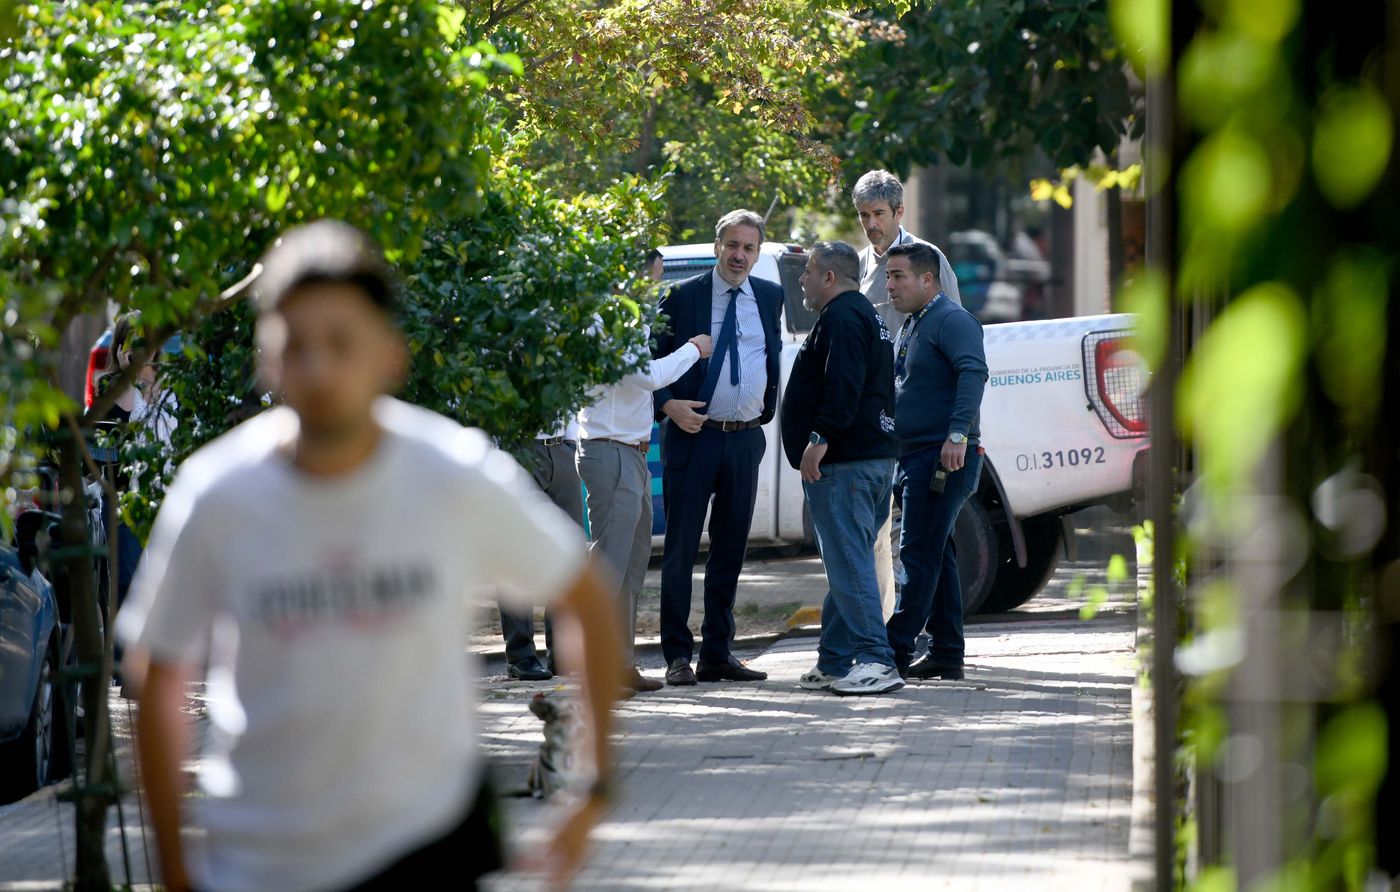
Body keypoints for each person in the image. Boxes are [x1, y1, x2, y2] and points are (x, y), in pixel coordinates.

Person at [115, 220, 623, 892]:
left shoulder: (451, 474)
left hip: (423, 847)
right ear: (267, 359)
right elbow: (157, 668)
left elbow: (586, 596)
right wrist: (175, 869)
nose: (318, 369)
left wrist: (591, 791)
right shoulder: (218, 493)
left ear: (390, 354)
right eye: (295, 344)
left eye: (341, 342)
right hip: (261, 859)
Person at [651, 209, 782, 686]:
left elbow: (769, 355)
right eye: (732, 245)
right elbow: (649, 361)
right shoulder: (682, 297)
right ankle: (676, 657)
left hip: (745, 438)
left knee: (730, 550)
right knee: (681, 548)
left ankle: (717, 654)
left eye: (749, 247)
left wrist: (762, 413)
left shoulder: (769, 295)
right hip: (694, 438)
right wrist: (668, 405)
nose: (739, 255)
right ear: (717, 247)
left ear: (757, 253)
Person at [577, 256, 713, 694]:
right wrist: (693, 349)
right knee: (609, 568)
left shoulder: (628, 322)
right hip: (610, 451)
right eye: (649, 280)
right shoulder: (607, 321)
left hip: (629, 453)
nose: (653, 290)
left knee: (630, 570)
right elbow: (649, 377)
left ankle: (621, 666)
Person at [779, 241, 902, 696]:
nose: (803, 280)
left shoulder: (843, 317)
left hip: (846, 464)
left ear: (829, 277)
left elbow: (844, 385)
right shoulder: (864, 315)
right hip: (870, 458)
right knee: (848, 564)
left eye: (809, 271)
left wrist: (819, 438)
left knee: (849, 565)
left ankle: (876, 661)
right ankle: (834, 661)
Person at [851, 168, 963, 632]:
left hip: (924, 422)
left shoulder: (926, 259)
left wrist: (956, 427)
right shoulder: (858, 266)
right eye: (863, 215)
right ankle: (896, 635)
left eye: (879, 214)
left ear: (900, 212)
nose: (871, 224)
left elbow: (954, 332)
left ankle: (922, 638)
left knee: (922, 537)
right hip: (877, 418)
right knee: (884, 534)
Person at [881, 242, 988, 680]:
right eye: (888, 276)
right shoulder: (915, 321)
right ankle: (946, 652)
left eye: (898, 276)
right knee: (937, 555)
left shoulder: (952, 319)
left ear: (928, 279)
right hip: (914, 455)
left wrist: (958, 434)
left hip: (941, 457)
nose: (890, 286)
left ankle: (891, 654)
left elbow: (973, 372)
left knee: (919, 555)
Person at [498, 422, 582, 681]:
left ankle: (562, 654)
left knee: (569, 554)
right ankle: (520, 656)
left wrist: (571, 442)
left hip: (562, 449)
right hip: (519, 448)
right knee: (516, 557)